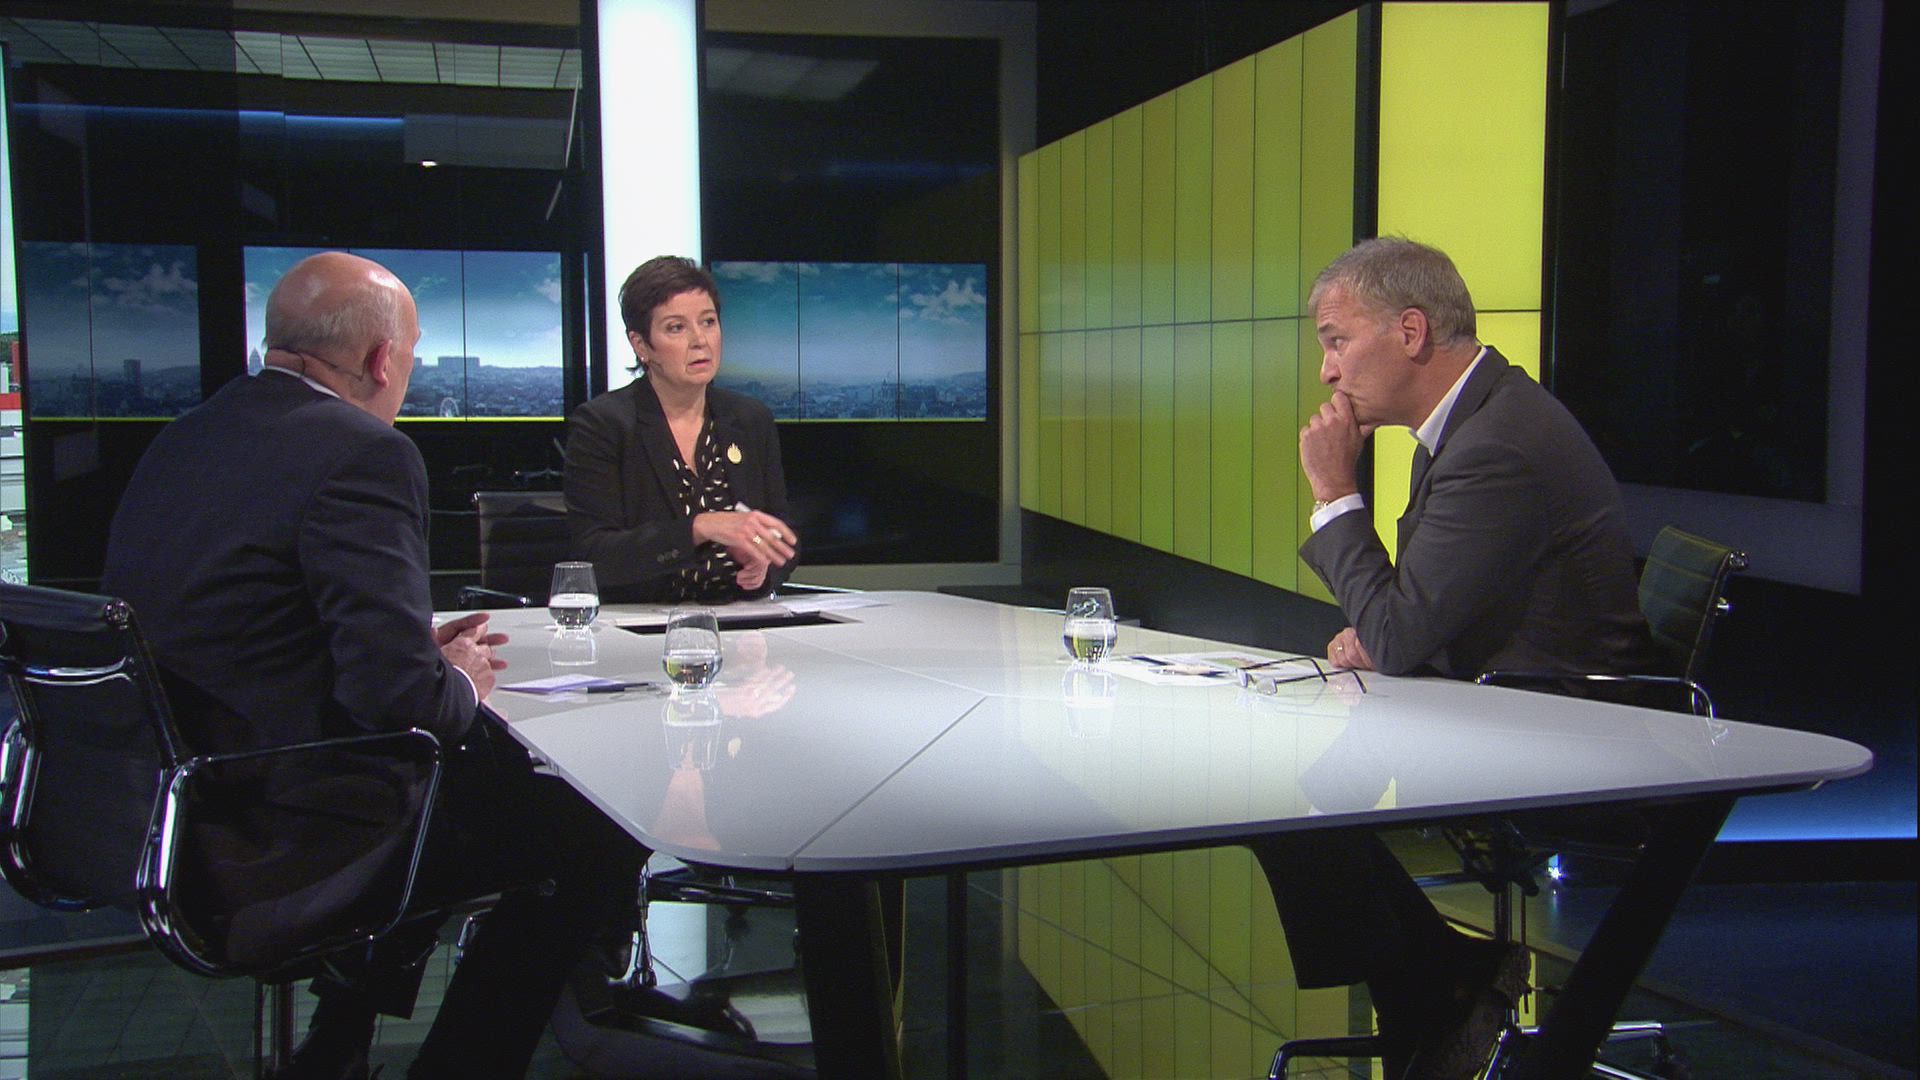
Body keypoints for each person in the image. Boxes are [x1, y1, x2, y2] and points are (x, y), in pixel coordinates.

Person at [101, 251, 644, 1080]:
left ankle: (338, 1043)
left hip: (154, 804)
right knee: (590, 830)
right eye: (414, 353)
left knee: (467, 788)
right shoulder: (362, 450)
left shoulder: (187, 435)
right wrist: (455, 679)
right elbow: (403, 705)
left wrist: (410, 653)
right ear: (383, 358)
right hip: (272, 825)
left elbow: (245, 625)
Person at [1249, 237, 1656, 1080]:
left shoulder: (1496, 443)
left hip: (1555, 733)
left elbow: (1401, 632)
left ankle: (1436, 990)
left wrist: (1334, 494)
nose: (1327, 371)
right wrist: (1388, 629)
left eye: (1336, 340)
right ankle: (1436, 984)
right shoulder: (1478, 420)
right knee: (1288, 789)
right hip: (1508, 702)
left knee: (1281, 795)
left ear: (1409, 331)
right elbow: (1414, 613)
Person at [564, 256, 798, 603]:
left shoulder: (750, 419)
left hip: (741, 618)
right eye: (676, 328)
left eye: (708, 322)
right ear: (641, 345)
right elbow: (593, 556)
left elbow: (783, 536)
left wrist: (764, 567)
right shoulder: (604, 424)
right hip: (641, 623)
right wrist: (699, 528)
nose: (700, 340)